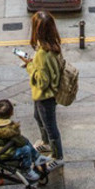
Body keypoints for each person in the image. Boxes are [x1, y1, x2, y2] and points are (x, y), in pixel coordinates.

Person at [23, 11, 64, 162]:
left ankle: (57, 156)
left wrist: (29, 66)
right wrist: (35, 63)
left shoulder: (42, 54)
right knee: (38, 117)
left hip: (44, 95)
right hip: (45, 94)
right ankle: (46, 143)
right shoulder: (53, 46)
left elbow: (42, 81)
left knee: (50, 126)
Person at [0, 99, 48, 177]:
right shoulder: (8, 130)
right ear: (10, 114)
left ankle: (37, 157)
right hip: (4, 153)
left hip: (2, 146)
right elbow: (19, 141)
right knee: (26, 149)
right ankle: (26, 170)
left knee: (24, 141)